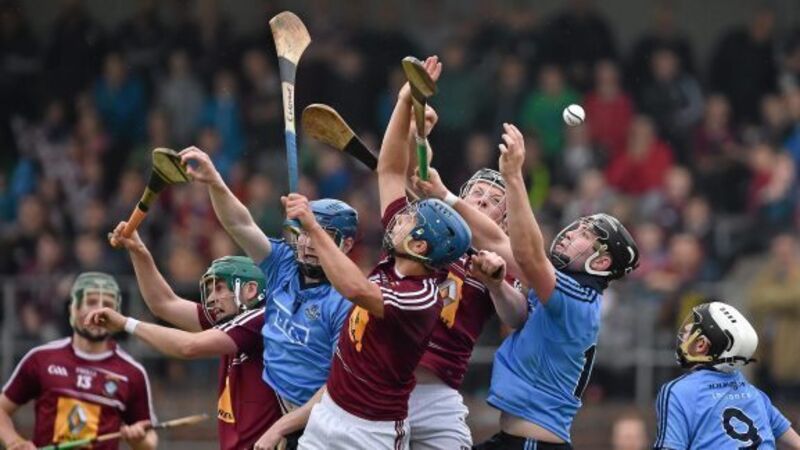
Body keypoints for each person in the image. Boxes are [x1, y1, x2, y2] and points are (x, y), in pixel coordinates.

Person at [255, 55, 473, 450]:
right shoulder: (400, 257)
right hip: (329, 412)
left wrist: (313, 227)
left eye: (409, 220)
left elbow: (355, 289)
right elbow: (389, 170)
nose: (400, 218)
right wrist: (405, 99)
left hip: (371, 432)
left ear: (420, 246)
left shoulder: (418, 297)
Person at [415, 122, 639, 448]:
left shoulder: (576, 296)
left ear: (601, 262)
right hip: (513, 438)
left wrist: (513, 177)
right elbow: (501, 248)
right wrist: (446, 198)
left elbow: (525, 254)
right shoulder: (563, 289)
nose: (571, 234)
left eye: (585, 236)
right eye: (578, 227)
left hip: (532, 443)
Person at [179, 146, 357, 447]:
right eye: (304, 232)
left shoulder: (348, 302)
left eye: (322, 236)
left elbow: (338, 387)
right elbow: (240, 224)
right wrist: (215, 181)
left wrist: (282, 427)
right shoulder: (283, 263)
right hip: (286, 415)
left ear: (347, 244)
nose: (308, 244)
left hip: (326, 424)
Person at [100, 225, 281, 450]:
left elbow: (189, 347)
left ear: (250, 290)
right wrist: (138, 250)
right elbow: (163, 303)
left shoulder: (261, 319)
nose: (212, 298)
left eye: (219, 288)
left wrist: (126, 324)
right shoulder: (231, 320)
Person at [0, 273, 157, 450]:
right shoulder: (41, 358)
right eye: (91, 302)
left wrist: (138, 440)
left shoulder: (132, 373)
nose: (99, 311)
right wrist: (14, 442)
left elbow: (150, 440)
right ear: (73, 309)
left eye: (107, 305)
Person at [654, 301, 800, 449]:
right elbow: (792, 438)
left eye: (693, 328)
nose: (686, 329)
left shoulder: (677, 391)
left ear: (701, 345)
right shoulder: (753, 392)